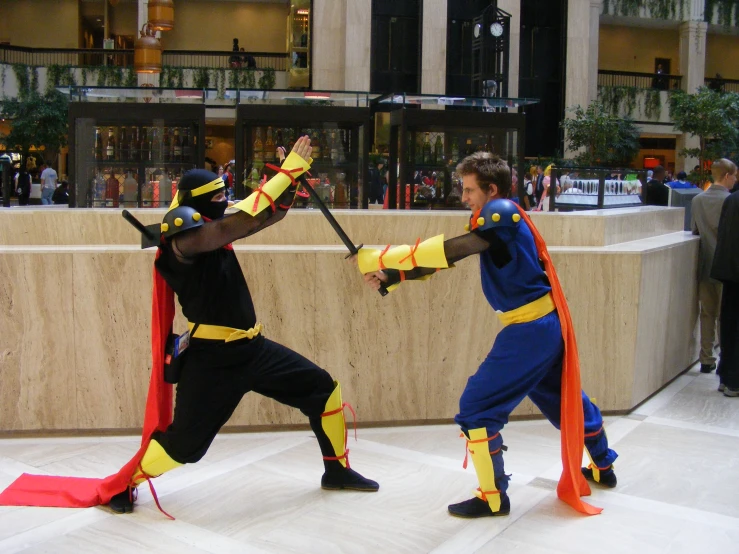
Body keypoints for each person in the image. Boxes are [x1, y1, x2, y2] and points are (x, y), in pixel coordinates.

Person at [0, 136, 378, 514]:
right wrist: (285, 172)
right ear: (197, 201)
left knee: (323, 391)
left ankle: (337, 471)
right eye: (216, 195)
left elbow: (265, 216)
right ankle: (123, 486)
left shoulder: (213, 229)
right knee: (184, 448)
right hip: (212, 362)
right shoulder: (184, 241)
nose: (223, 200)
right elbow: (243, 221)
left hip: (253, 349)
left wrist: (291, 180)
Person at [358, 152, 617, 518]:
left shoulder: (503, 212)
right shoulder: (499, 218)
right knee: (565, 400)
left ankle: (492, 498)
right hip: (538, 327)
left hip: (530, 331)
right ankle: (603, 465)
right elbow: (452, 255)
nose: (464, 198)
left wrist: (383, 259)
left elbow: (452, 251)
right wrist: (392, 276)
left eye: (468, 189)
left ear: (491, 189)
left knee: (477, 407)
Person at [691, 159, 734, 374]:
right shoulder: (731, 201)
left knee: (707, 314)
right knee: (726, 316)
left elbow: (695, 230)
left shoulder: (698, 200)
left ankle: (706, 358)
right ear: (727, 176)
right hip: (729, 267)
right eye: (735, 176)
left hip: (706, 265)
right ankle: (726, 357)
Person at [711, 162, 739, 397]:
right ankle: (734, 380)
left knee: (729, 324)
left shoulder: (732, 199)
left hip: (729, 272)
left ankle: (725, 375)